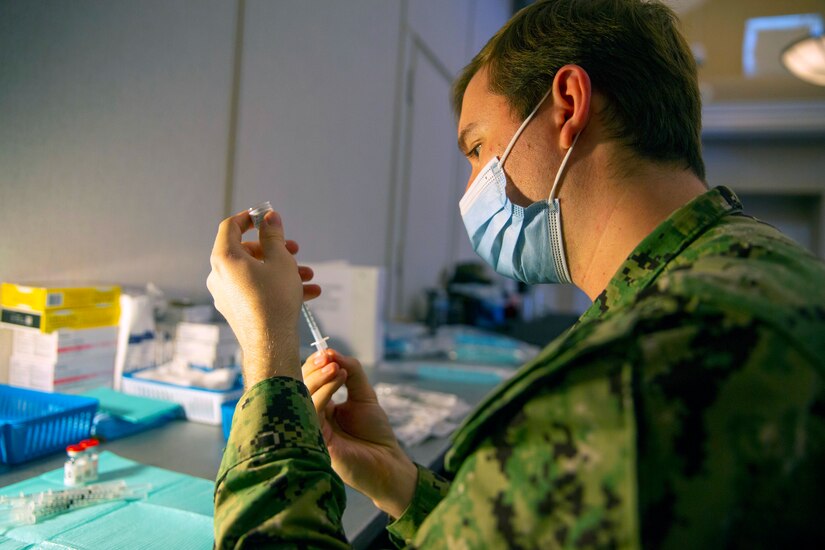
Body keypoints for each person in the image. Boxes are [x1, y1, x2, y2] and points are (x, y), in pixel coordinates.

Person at [208, 0, 825, 547]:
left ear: (568, 104)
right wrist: (403, 485)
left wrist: (269, 353)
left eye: (478, 148)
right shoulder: (759, 269)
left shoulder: (625, 384)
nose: (475, 186)